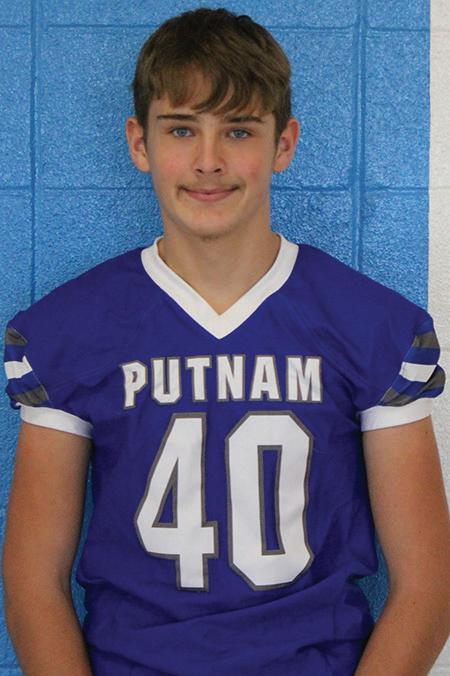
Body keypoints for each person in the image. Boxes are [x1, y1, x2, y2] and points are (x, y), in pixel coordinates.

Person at [2, 7, 450, 675]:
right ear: (139, 143)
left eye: (238, 130)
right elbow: (33, 584)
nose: (208, 161)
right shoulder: (72, 329)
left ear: (283, 144)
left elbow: (428, 587)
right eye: (182, 129)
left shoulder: (369, 326)